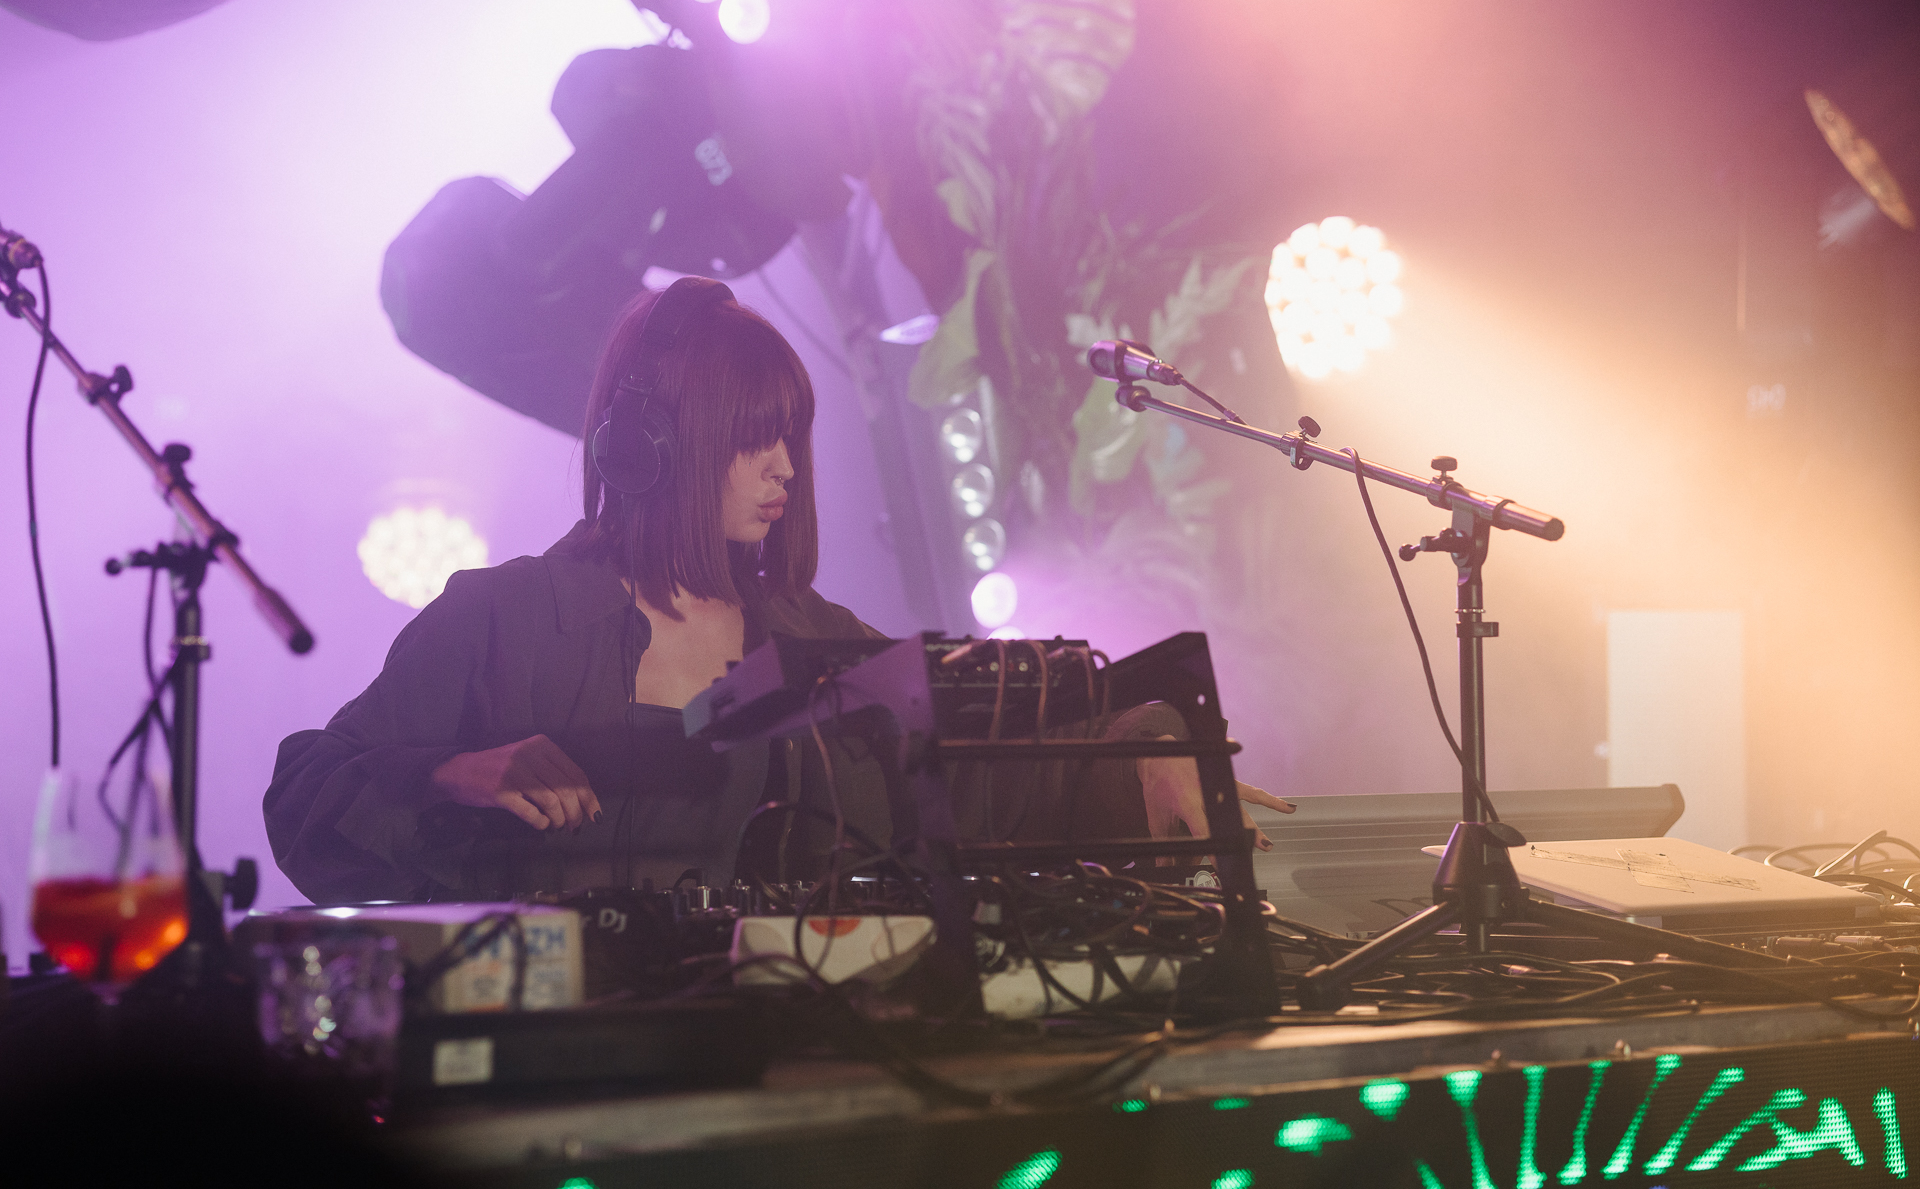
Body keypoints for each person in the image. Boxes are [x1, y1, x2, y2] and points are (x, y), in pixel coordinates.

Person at [264, 280, 1288, 904]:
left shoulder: (823, 643)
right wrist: (450, 772)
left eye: (790, 437)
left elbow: (983, 785)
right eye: (753, 438)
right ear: (653, 446)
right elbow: (305, 795)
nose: (785, 468)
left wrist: (1143, 760)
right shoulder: (500, 619)